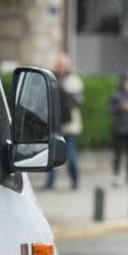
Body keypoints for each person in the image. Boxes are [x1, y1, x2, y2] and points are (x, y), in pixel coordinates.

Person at [44, 53, 84, 190]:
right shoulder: (52, 78)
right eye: (58, 64)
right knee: (53, 156)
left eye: (62, 65)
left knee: (71, 157)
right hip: (56, 126)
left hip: (70, 126)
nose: (60, 67)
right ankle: (50, 183)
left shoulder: (73, 80)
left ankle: (75, 182)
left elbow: (74, 102)